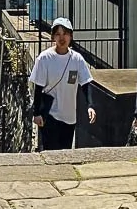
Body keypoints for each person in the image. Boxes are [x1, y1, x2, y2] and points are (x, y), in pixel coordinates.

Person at [30, 17, 96, 150]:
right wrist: (36, 113)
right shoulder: (44, 58)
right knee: (52, 151)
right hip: (50, 114)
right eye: (58, 34)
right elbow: (38, 87)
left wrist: (90, 105)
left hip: (69, 116)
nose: (62, 38)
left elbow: (86, 83)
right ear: (53, 37)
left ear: (71, 36)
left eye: (65, 33)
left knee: (65, 152)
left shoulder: (77, 59)